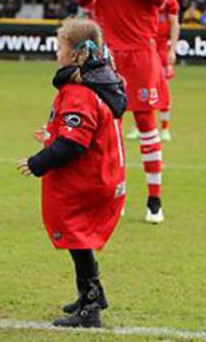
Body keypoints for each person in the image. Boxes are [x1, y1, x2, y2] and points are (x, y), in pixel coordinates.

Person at [16, 19, 126, 328]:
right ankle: (93, 293)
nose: (56, 53)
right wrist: (52, 134)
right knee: (79, 238)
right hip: (103, 173)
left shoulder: (80, 90)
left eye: (60, 47)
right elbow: (83, 130)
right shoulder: (99, 83)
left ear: (77, 54)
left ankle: (90, 305)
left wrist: (38, 162)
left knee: (76, 235)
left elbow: (75, 143)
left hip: (89, 179)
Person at [75, 0, 169, 223]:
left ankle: (154, 200)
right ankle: (117, 196)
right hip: (106, 55)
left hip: (141, 50)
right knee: (109, 128)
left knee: (145, 124)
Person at [126, 0, 180, 141]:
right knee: (138, 87)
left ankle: (165, 129)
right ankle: (137, 127)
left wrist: (172, 50)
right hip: (143, 46)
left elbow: (175, 23)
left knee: (164, 88)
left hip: (161, 48)